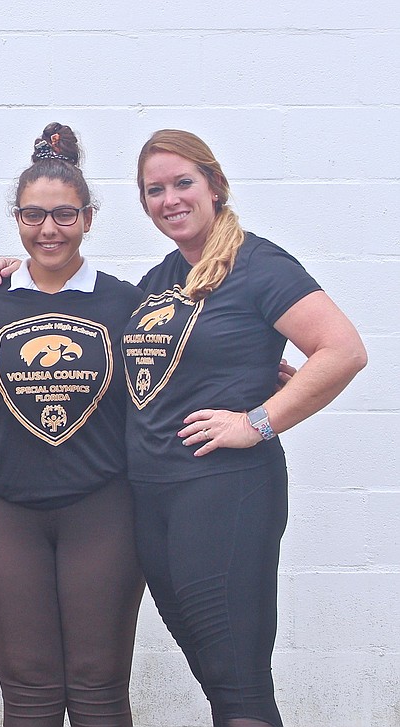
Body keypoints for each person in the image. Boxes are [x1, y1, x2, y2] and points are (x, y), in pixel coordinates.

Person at [123, 130, 366, 726]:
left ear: (215, 186)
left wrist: (257, 422)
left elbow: (343, 350)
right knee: (216, 675)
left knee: (238, 681)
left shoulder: (257, 264)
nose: (170, 199)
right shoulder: (161, 279)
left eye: (183, 183)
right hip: (155, 499)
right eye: (155, 190)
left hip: (225, 493)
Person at [0, 124, 146, 726]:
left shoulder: (125, 302)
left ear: (89, 218)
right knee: (29, 688)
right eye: (34, 215)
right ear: (16, 218)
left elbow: (178, 360)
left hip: (103, 506)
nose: (49, 230)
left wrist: (254, 369)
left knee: (98, 686)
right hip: (3, 508)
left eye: (64, 215)